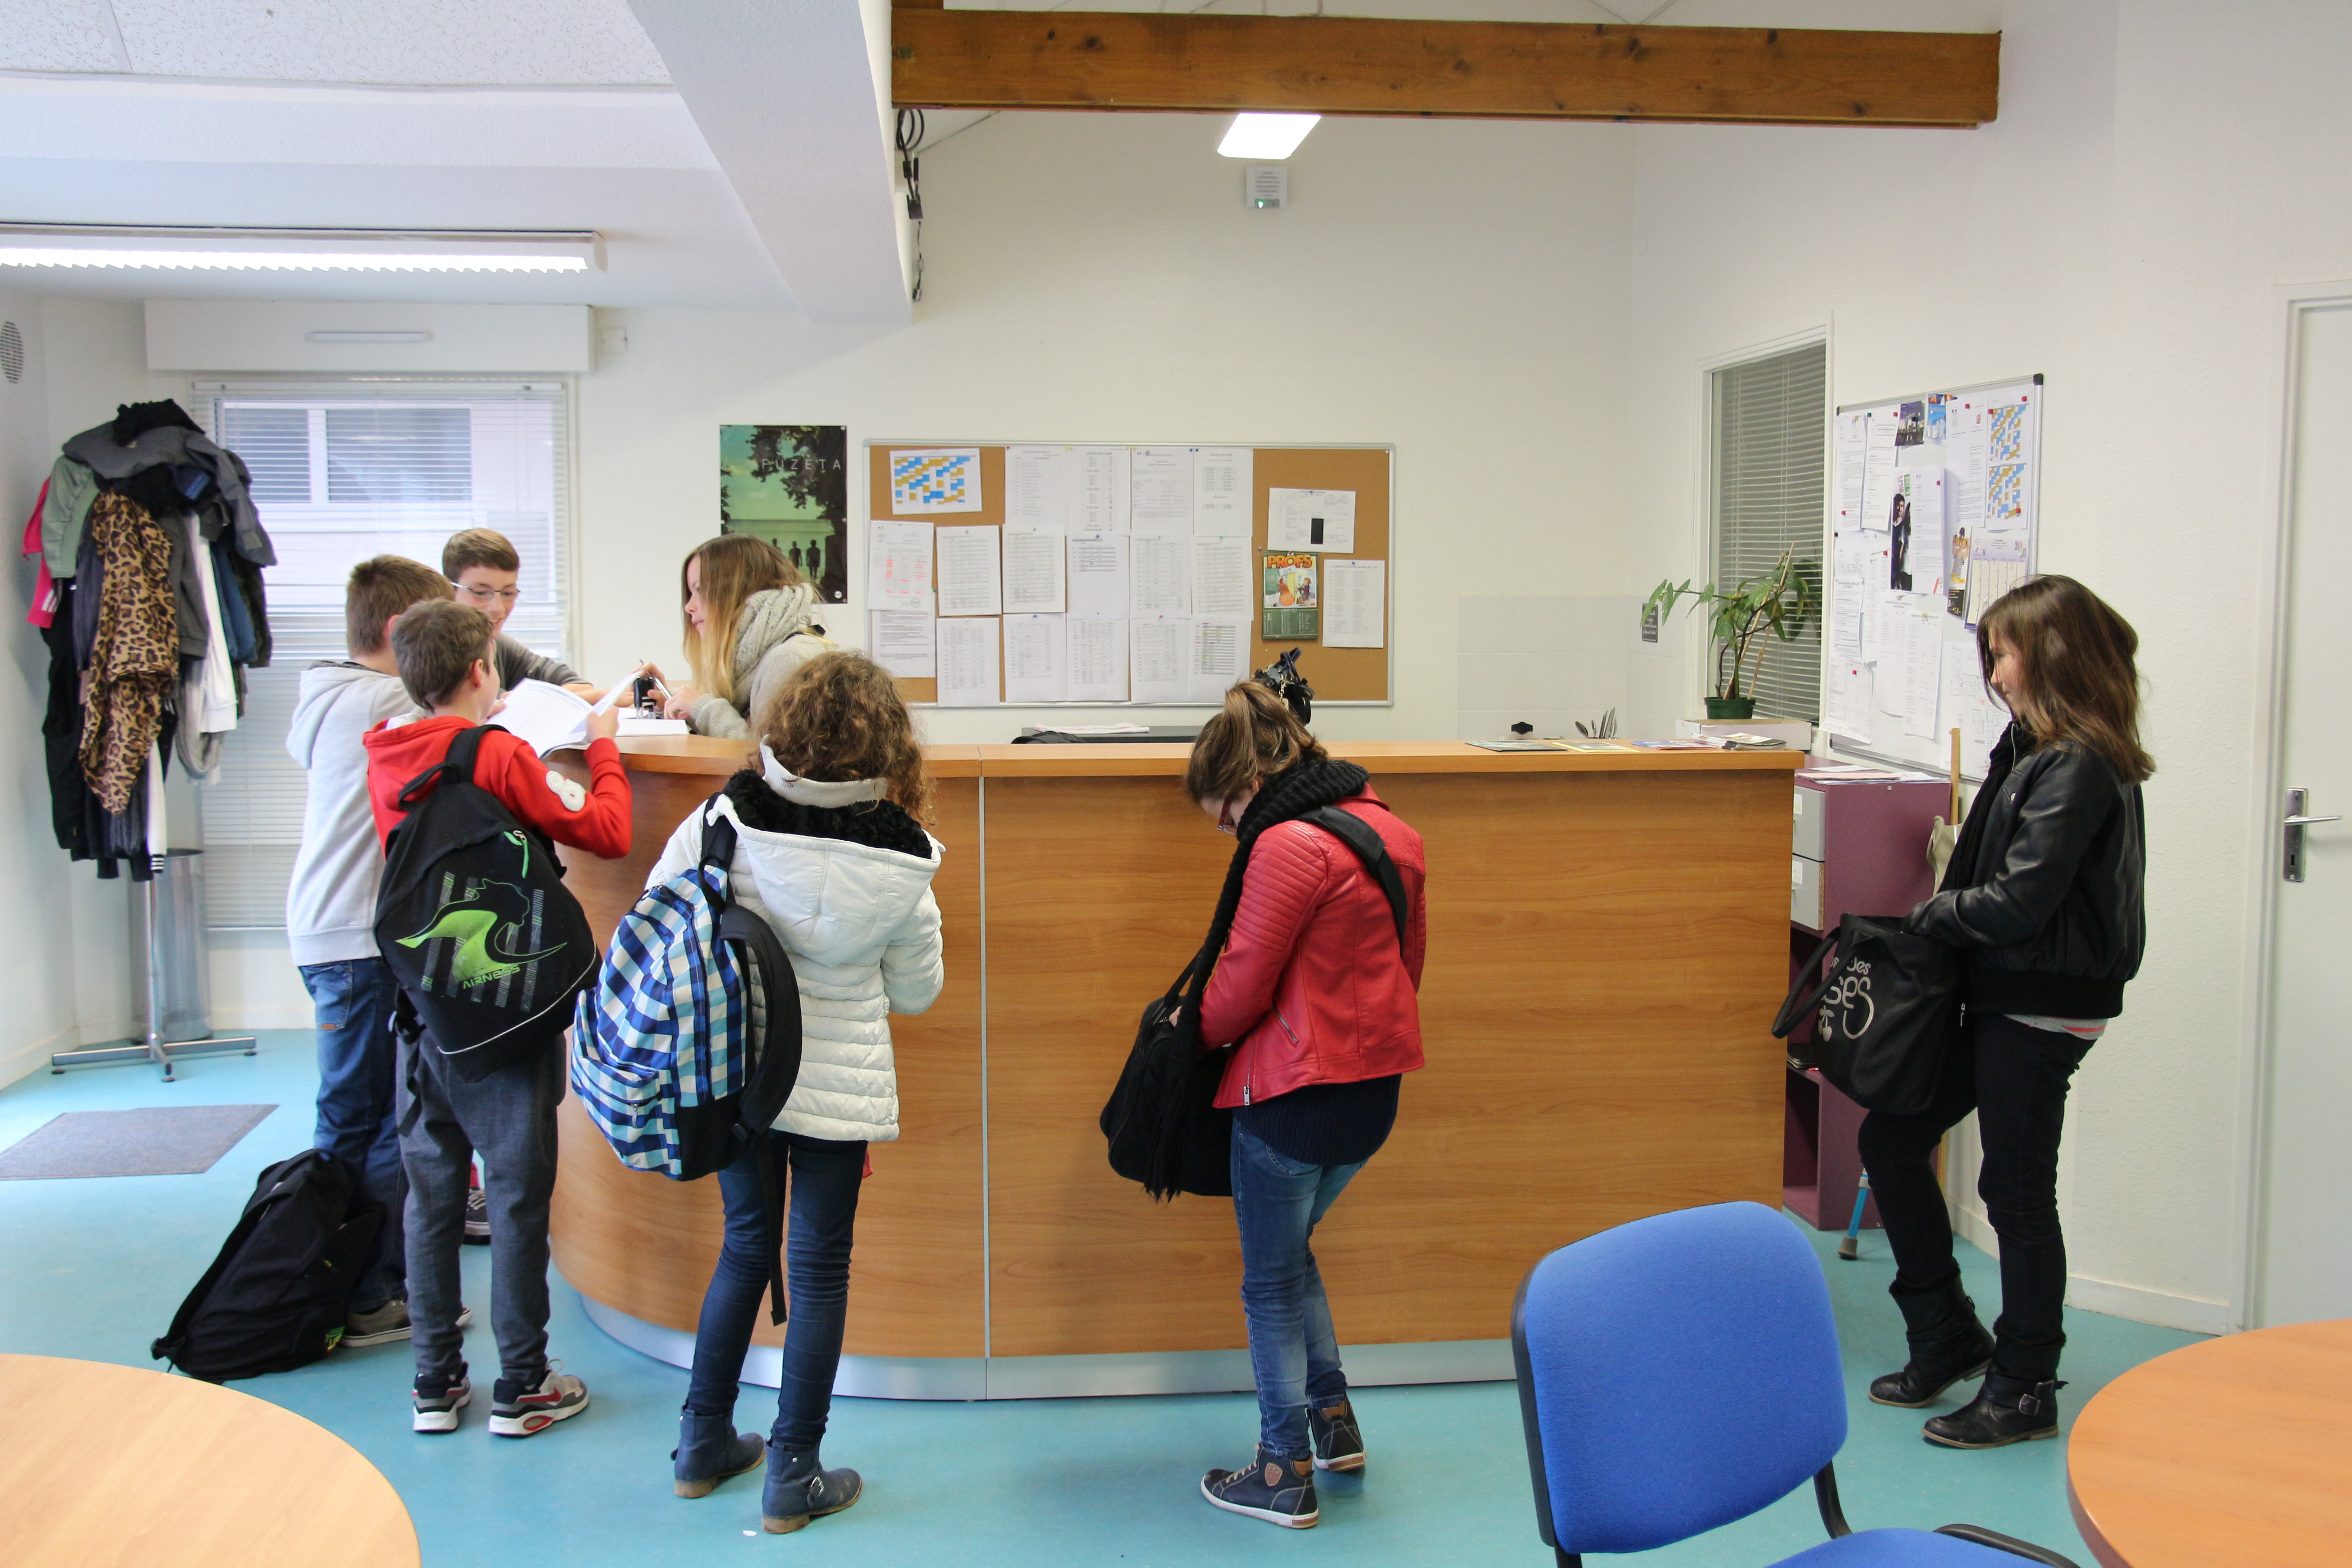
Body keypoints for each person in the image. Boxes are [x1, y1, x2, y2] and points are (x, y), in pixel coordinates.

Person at [644, 651, 943, 1532]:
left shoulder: (723, 824)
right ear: (887, 746)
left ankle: (701, 1445)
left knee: (744, 1248)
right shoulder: (906, 858)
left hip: (737, 1078)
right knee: (818, 1270)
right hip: (835, 1092)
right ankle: (795, 1473)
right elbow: (917, 992)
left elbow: (663, 920)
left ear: (783, 729)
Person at [1858, 574, 2149, 1450]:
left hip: (2039, 1003)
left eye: (2003, 652)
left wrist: (1925, 918)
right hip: (2005, 990)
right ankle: (1946, 1332)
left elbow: (2018, 903)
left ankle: (2023, 1384)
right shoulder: (2032, 746)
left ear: (2048, 656)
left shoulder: (2078, 765)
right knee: (1891, 1139)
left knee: (2014, 1192)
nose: (1993, 670)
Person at [363, 599, 632, 1438]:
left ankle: (435, 1384)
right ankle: (522, 1385)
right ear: (483, 669)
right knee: (516, 1194)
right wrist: (601, 746)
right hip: (505, 1016)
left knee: (433, 1194)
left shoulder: (384, 755)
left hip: (424, 1009)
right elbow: (608, 832)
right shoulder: (495, 753)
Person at [1181, 682, 1427, 1529]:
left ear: (1245, 782)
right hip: (1372, 1097)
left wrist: (1188, 1031)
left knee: (1268, 1282)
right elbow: (1408, 964)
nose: (1226, 833)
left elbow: (1239, 988)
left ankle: (1282, 1468)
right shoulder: (1391, 829)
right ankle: (1333, 1421)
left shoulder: (1285, 846)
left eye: (1223, 816)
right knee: (1292, 1256)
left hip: (1290, 1099)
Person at [284, 556, 458, 1349]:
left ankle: (343, 1285)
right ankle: (362, 1294)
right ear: (399, 634)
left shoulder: (329, 694)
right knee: (373, 1123)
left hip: (326, 928)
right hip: (357, 938)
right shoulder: (391, 701)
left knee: (356, 1118)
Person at [656, 534, 830, 739]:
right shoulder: (755, 658)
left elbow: (770, 757)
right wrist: (679, 704)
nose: (689, 607)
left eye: (701, 591)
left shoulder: (791, 658)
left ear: (738, 592)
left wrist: (705, 710)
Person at [441, 527, 597, 698]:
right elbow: (489, 707)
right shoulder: (435, 653)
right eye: (481, 593)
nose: (498, 608)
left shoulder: (496, 644)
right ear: (449, 590)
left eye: (508, 594)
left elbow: (580, 686)